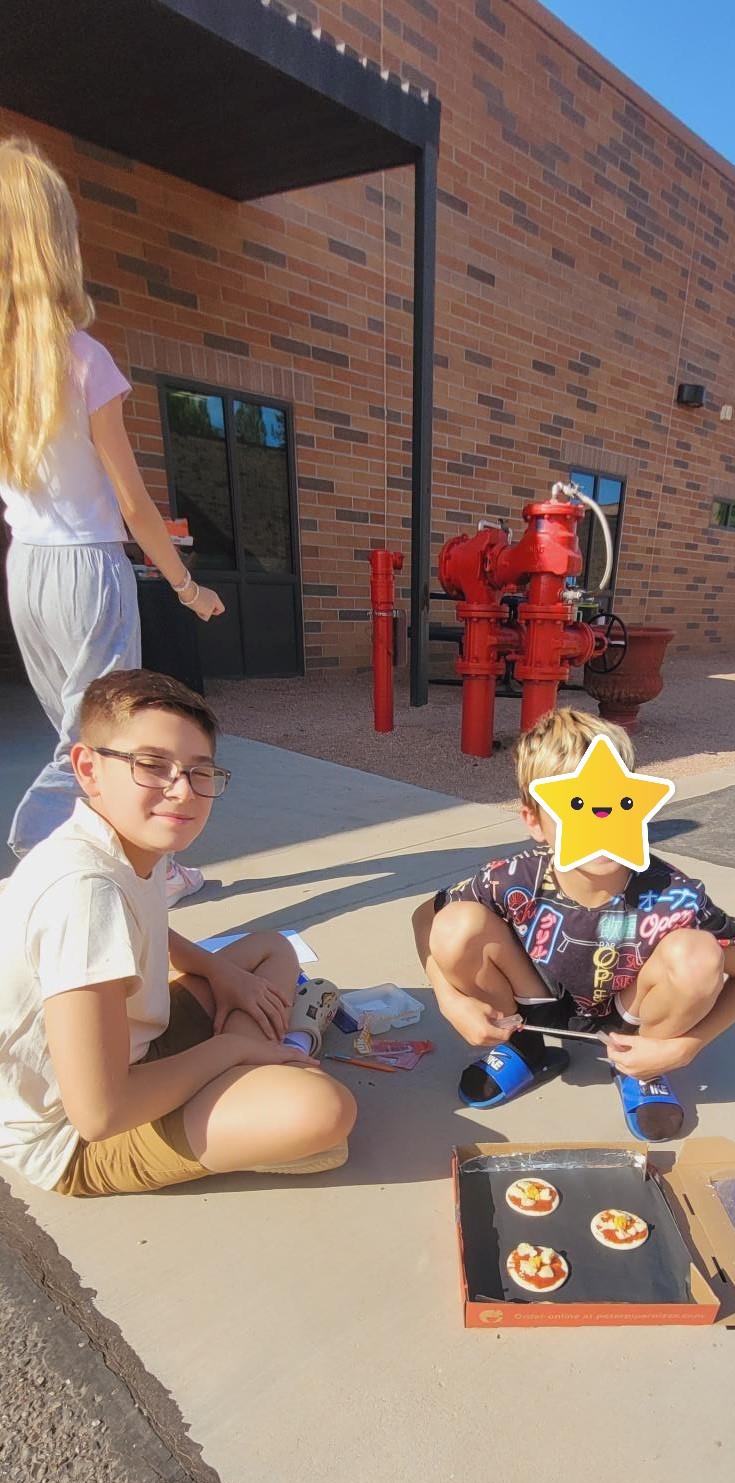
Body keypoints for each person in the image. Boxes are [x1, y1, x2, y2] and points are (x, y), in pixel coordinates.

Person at [0, 669, 356, 1196]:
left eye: (199, 771)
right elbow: (100, 1113)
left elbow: (150, 930)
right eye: (151, 765)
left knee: (268, 949)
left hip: (137, 1046)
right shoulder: (84, 891)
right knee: (324, 1111)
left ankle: (244, 1085)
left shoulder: (115, 846)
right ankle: (251, 1083)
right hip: (76, 1137)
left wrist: (216, 970)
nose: (182, 790)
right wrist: (233, 1049)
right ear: (88, 768)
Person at [0, 136, 223, 904]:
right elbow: (132, 503)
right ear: (53, 241)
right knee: (102, 740)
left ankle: (147, 870)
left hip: (25, 568)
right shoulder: (81, 358)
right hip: (89, 569)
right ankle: (41, 867)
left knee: (90, 729)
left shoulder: (8, 366)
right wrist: (187, 588)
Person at [413, 707, 735, 1124]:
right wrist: (450, 1001)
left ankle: (641, 1066)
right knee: (456, 926)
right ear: (535, 822)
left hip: (631, 1010)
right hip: (533, 1000)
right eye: (575, 807)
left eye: (616, 804)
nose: (598, 822)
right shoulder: (511, 878)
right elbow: (426, 918)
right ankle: (521, 1047)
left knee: (698, 954)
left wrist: (687, 1044)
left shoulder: (674, 895)